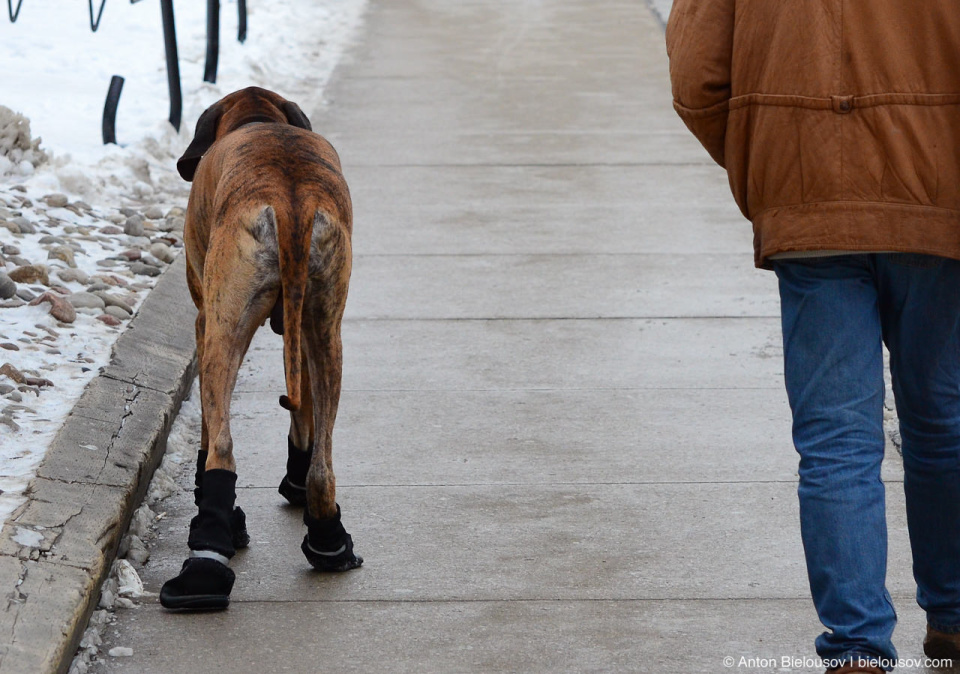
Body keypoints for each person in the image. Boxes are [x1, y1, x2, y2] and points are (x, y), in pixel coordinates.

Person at [666, 2, 960, 673]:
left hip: (807, 191)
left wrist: (770, 164)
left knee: (835, 438)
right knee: (943, 417)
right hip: (940, 190)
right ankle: (954, 615)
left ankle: (857, 650)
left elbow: (697, 76)